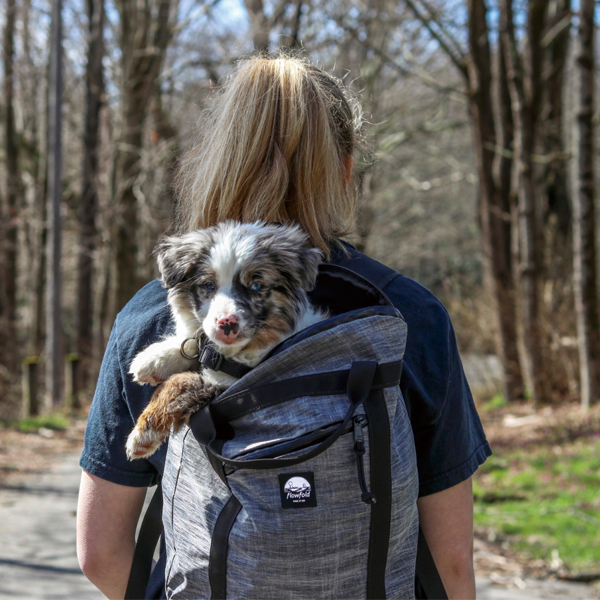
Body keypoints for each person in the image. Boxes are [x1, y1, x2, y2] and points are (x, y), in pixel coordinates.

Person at [77, 53, 491, 600]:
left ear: (214, 161)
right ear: (345, 171)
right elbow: (452, 562)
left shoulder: (156, 312)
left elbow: (100, 552)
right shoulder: (407, 313)